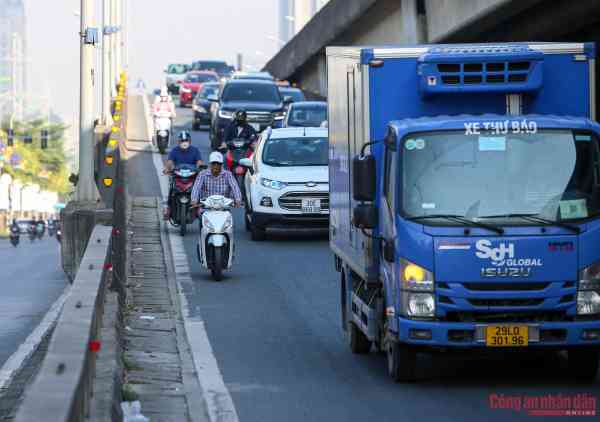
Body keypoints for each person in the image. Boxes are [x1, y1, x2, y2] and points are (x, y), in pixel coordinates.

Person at [163, 131, 204, 220]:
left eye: (186, 140)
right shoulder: (174, 150)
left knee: (199, 188)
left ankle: (199, 208)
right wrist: (168, 168)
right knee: (171, 189)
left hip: (191, 177)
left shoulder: (195, 150)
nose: (184, 142)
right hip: (178, 176)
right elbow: (170, 161)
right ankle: (168, 208)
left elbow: (199, 162)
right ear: (178, 142)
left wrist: (200, 167)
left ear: (190, 141)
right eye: (182, 141)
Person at [191, 152, 242, 216]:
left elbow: (235, 187)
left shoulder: (228, 174)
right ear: (210, 164)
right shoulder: (202, 174)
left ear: (222, 165)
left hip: (223, 207)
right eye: (213, 163)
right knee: (201, 217)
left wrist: (238, 199)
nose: (216, 166)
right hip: (206, 206)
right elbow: (196, 187)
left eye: (218, 164)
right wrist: (194, 199)